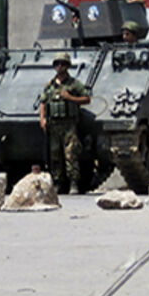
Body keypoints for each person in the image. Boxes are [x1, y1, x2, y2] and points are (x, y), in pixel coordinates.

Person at [39, 52, 91, 194]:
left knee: (70, 154)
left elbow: (86, 98)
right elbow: (43, 102)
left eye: (62, 64)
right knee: (55, 155)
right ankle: (57, 182)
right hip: (53, 124)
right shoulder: (50, 85)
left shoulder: (74, 84)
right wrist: (42, 119)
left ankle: (73, 183)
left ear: (67, 66)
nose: (59, 66)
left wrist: (70, 98)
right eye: (57, 64)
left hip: (69, 124)